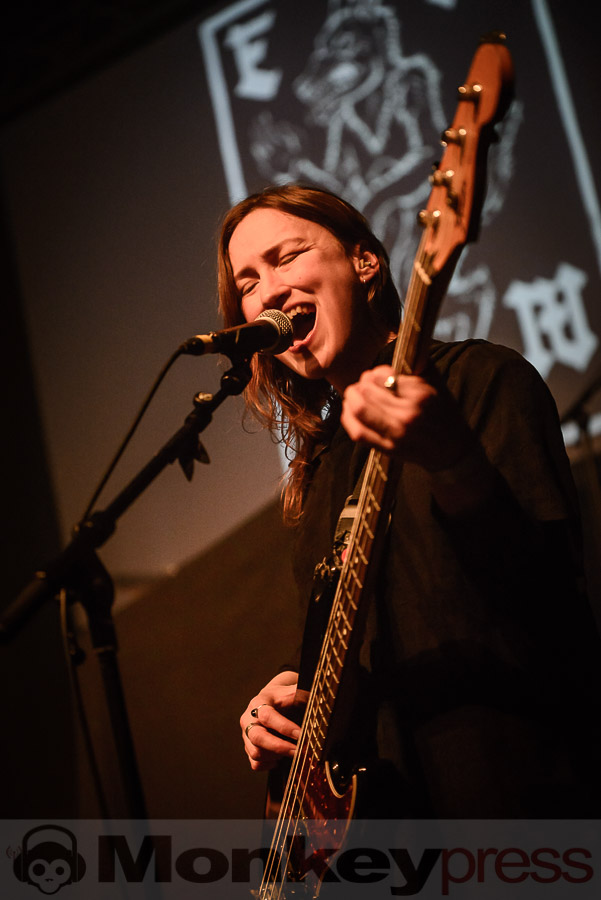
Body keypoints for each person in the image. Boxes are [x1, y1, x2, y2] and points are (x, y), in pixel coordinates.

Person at [218, 183, 601, 818]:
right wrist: (285, 708)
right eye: (248, 282)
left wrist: (452, 461)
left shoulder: (482, 380)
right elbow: (353, 648)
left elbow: (553, 602)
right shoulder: (319, 469)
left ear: (364, 262)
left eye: (286, 258)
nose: (269, 292)